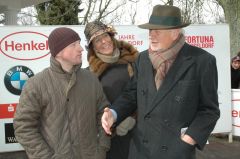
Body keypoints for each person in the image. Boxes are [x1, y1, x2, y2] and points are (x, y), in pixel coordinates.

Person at [101, 5, 220, 159]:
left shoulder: (202, 61)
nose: (152, 36)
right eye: (150, 31)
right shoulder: (142, 59)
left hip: (176, 151)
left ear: (175, 32)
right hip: (140, 149)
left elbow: (209, 111)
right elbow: (131, 94)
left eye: (158, 31)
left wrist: (188, 139)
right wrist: (113, 113)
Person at [13, 27, 110, 159]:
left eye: (79, 43)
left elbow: (103, 114)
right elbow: (23, 127)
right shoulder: (36, 84)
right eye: (73, 45)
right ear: (58, 52)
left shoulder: (91, 79)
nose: (80, 48)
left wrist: (102, 148)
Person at [84, 20, 138, 159]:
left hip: (138, 133)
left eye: (105, 36)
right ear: (92, 47)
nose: (103, 42)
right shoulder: (89, 73)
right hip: (110, 139)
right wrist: (113, 124)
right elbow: (91, 108)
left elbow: (144, 93)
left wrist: (132, 117)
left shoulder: (134, 61)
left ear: (111, 36)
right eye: (97, 41)